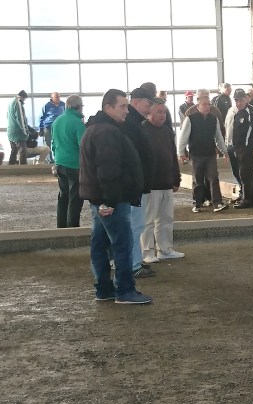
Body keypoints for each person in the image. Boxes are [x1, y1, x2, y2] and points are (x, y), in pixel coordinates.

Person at [79, 89, 151, 304]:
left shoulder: (96, 129)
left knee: (100, 243)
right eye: (122, 106)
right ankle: (125, 290)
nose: (127, 111)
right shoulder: (107, 132)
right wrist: (110, 201)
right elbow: (108, 169)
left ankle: (103, 289)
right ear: (108, 107)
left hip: (100, 198)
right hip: (112, 200)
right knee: (122, 244)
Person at [140, 99, 184, 263]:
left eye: (164, 112)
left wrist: (176, 178)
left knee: (166, 218)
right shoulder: (142, 130)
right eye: (159, 112)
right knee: (148, 220)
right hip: (150, 184)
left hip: (167, 182)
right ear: (149, 113)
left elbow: (172, 156)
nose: (163, 115)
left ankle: (165, 250)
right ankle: (147, 252)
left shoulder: (167, 131)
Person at [124, 87, 156, 277]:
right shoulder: (130, 124)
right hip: (134, 185)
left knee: (136, 224)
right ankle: (133, 264)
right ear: (135, 102)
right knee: (134, 225)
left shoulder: (135, 123)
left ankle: (134, 259)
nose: (150, 109)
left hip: (138, 183)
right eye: (148, 104)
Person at [178, 93, 229, 213]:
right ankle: (197, 204)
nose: (207, 107)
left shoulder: (214, 119)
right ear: (198, 106)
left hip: (210, 153)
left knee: (213, 177)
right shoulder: (190, 119)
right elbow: (183, 137)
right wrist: (181, 152)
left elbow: (218, 137)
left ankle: (218, 203)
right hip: (196, 154)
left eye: (209, 104)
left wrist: (225, 151)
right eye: (204, 104)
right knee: (198, 180)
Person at [51, 95, 85, 228]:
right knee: (75, 200)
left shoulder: (57, 121)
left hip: (60, 163)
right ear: (79, 107)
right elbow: (83, 145)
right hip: (75, 165)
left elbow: (53, 144)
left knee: (63, 197)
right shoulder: (77, 123)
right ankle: (72, 228)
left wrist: (56, 160)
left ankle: (61, 228)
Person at [231, 88, 253, 209]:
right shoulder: (239, 112)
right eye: (236, 101)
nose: (238, 103)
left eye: (240, 100)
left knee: (245, 174)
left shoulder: (252, 112)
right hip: (239, 148)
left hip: (248, 149)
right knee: (250, 173)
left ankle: (247, 199)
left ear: (245, 99)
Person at [7, 90, 32, 165]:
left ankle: (10, 167)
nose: (24, 101)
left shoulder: (10, 103)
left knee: (14, 151)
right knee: (23, 151)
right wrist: (26, 133)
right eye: (24, 99)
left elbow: (8, 117)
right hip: (18, 133)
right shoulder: (18, 103)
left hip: (11, 132)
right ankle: (23, 169)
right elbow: (20, 119)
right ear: (22, 97)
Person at [38, 92, 65, 163]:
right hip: (48, 127)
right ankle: (50, 160)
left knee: (59, 143)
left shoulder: (63, 105)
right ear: (52, 98)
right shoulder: (47, 106)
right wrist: (40, 129)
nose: (58, 98)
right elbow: (41, 118)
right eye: (56, 97)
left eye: (59, 97)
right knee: (48, 145)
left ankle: (58, 158)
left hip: (59, 127)